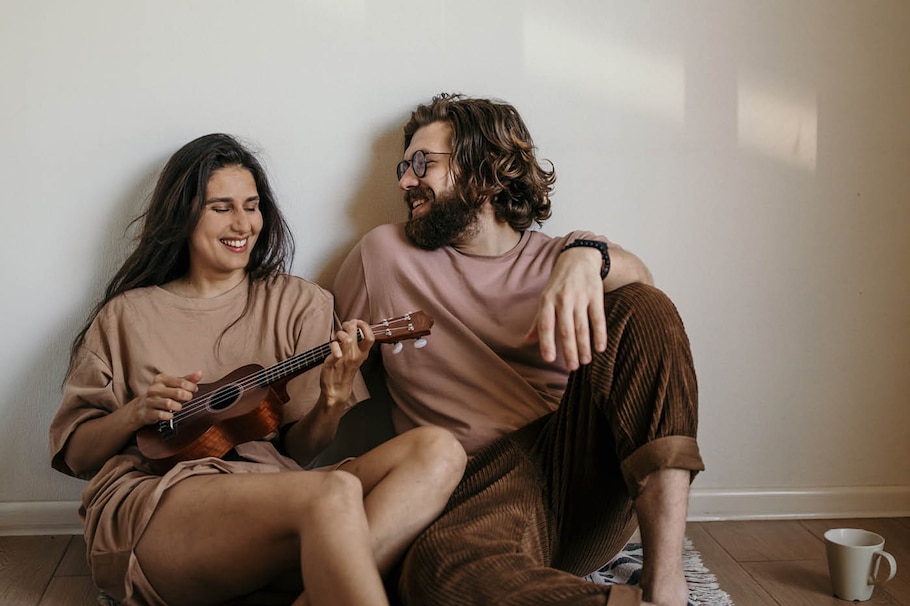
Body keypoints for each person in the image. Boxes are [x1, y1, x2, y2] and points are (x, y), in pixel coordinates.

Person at [49, 133, 466, 606]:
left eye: (252, 205)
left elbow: (299, 451)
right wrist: (135, 412)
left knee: (439, 449)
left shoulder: (300, 302)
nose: (243, 222)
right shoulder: (126, 315)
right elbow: (78, 457)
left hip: (273, 489)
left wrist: (331, 401)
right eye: (221, 207)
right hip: (158, 501)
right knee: (333, 494)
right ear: (183, 214)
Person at [333, 94, 704, 606]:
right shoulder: (382, 256)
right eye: (404, 165)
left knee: (643, 304)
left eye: (423, 164)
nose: (404, 182)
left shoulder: (564, 254)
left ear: (487, 169)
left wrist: (585, 258)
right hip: (470, 491)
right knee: (439, 573)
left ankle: (666, 586)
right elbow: (327, 380)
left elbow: (644, 296)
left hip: (573, 472)